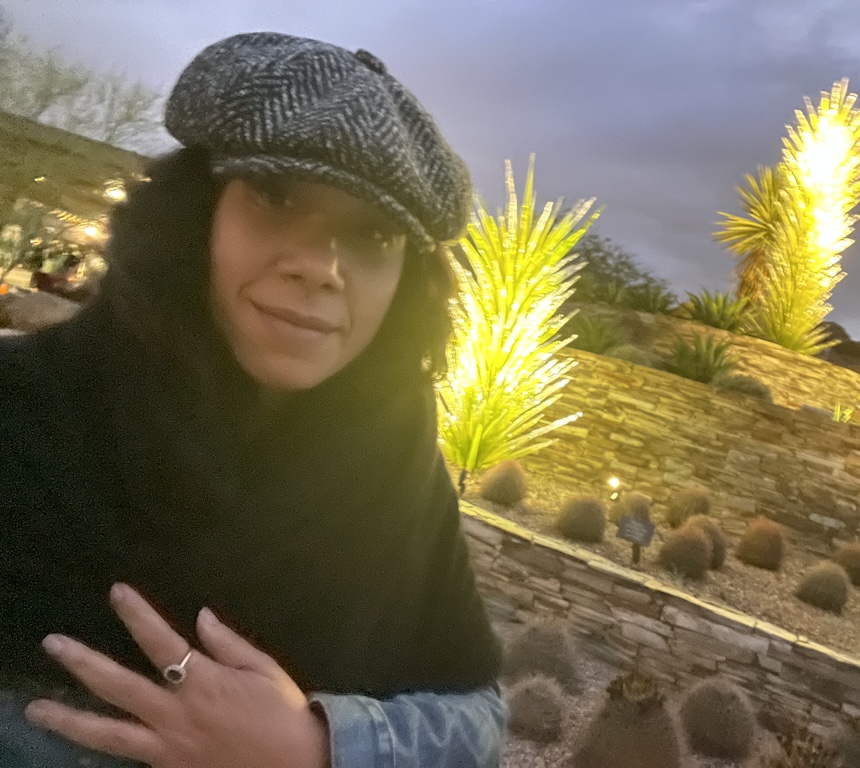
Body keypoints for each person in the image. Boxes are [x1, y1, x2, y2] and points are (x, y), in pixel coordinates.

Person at [0, 32, 506, 768]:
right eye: (276, 197)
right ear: (193, 217)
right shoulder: (26, 407)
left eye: (373, 232)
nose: (321, 268)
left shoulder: (397, 471)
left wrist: (317, 748)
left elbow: (479, 716)